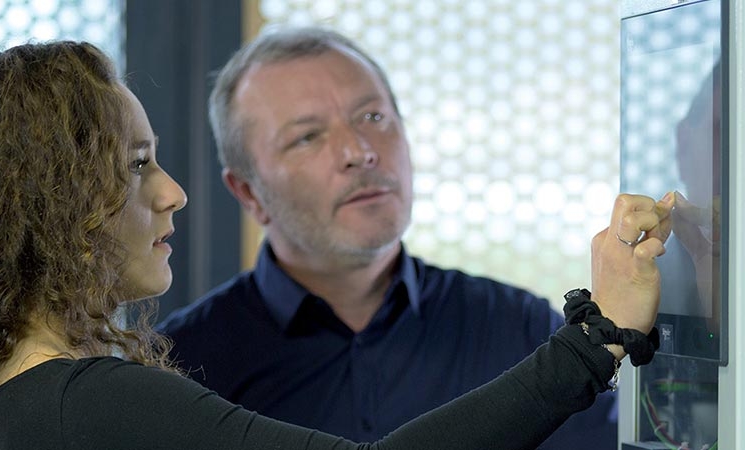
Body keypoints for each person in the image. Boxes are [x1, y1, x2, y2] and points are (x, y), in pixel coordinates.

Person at [0, 40, 674, 450]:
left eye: (373, 117)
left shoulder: (6, 395)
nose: (173, 193)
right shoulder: (100, 398)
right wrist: (595, 338)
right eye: (136, 166)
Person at [158, 26, 619, 448]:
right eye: (308, 137)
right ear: (248, 191)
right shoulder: (174, 371)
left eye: (373, 117)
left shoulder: (526, 334)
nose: (359, 152)